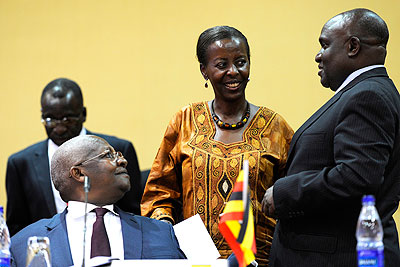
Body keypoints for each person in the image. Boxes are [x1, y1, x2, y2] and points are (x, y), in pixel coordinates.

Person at [141, 26, 293, 266]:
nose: (233, 72)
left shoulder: (275, 126)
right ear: (204, 71)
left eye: (241, 62)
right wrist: (168, 236)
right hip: (195, 259)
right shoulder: (185, 120)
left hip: (262, 261)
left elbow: (293, 193)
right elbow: (158, 193)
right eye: (221, 65)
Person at [262, 8, 400, 266]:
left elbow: (357, 177)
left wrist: (283, 193)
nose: (318, 56)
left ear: (353, 47)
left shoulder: (368, 96)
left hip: (335, 256)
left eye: (324, 45)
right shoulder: (365, 92)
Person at [10, 135, 185, 266]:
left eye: (119, 155)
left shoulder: (162, 232)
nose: (123, 161)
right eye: (109, 155)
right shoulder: (24, 243)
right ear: (78, 173)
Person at [5, 78, 142, 236]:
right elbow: (17, 227)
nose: (60, 128)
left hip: (112, 244)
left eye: (68, 119)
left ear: (83, 114)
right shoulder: (21, 163)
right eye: (50, 119)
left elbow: (134, 213)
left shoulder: (119, 149)